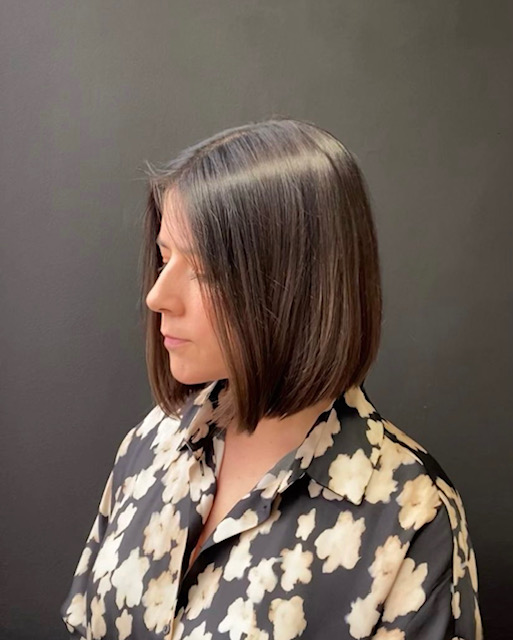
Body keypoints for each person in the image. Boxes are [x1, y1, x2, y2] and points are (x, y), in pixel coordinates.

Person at [60, 117, 483, 640]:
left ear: (295, 285)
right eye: (164, 259)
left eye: (204, 270)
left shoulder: (410, 517)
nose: (157, 296)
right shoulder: (153, 442)